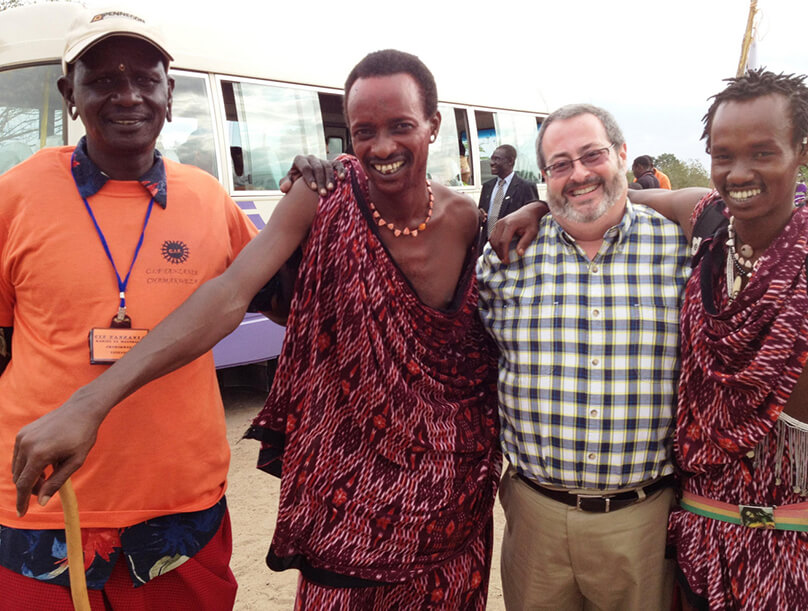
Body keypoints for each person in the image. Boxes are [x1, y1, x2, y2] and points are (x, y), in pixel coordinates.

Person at [12, 49, 501, 610]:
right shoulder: (322, 197)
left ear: (434, 126)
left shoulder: (474, 225)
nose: (382, 147)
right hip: (349, 501)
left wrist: (540, 214)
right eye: (363, 131)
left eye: (402, 126)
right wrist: (90, 401)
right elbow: (229, 293)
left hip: (453, 500)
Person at [493, 69, 808, 611]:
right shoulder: (708, 226)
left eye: (763, 151)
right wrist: (545, 204)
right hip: (695, 537)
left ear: (804, 148)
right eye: (723, 155)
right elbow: (616, 193)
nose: (740, 172)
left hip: (785, 543)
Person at [0, 8, 257, 609]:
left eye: (146, 79)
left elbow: (279, 295)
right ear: (70, 94)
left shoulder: (209, 199)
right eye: (103, 80)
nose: (128, 96)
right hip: (40, 508)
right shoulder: (15, 195)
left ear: (170, 94)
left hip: (180, 510)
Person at [477, 103, 689, 609]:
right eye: (559, 163)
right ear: (545, 176)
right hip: (535, 520)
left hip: (644, 519)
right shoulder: (505, 258)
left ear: (619, 155)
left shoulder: (682, 249)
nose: (578, 174)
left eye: (592, 155)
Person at [477, 144, 539, 246]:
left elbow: (532, 223)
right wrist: (479, 215)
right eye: (491, 159)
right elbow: (482, 214)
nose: (491, 163)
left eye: (496, 159)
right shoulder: (487, 187)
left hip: (511, 249)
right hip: (486, 247)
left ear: (510, 161)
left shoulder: (526, 187)